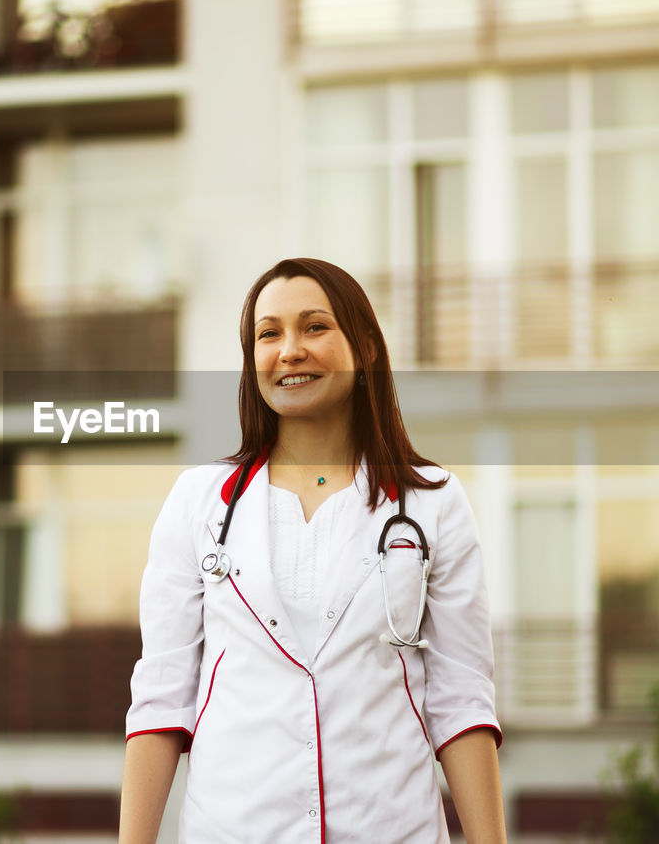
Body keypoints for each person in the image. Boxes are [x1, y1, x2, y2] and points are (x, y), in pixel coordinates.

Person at [119, 258, 506, 843]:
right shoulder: (198, 503)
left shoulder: (435, 504)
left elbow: (462, 703)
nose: (290, 350)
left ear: (367, 348)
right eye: (269, 334)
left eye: (314, 327)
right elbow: (161, 701)